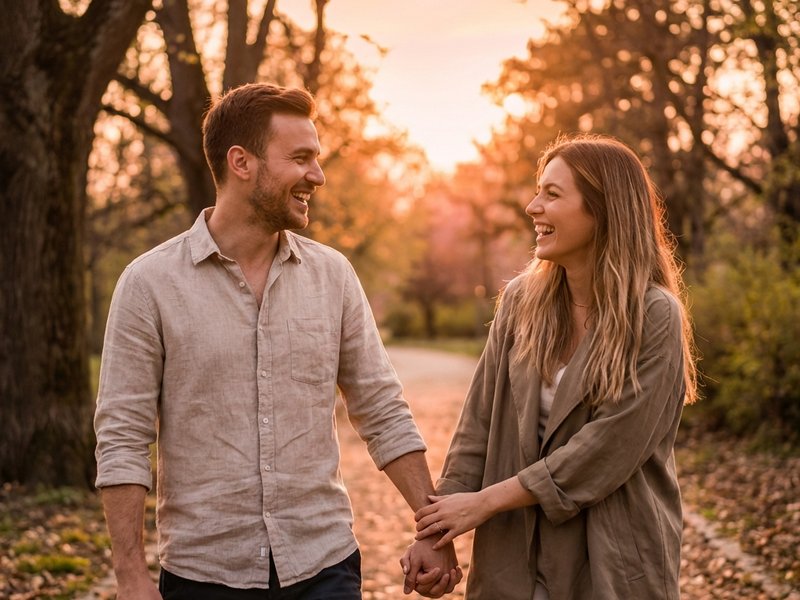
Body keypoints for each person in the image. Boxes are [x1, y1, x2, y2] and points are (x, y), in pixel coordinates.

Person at [94, 82, 461, 600]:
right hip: (204, 575)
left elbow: (381, 408)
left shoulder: (332, 276)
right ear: (241, 162)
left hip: (325, 565)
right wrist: (131, 576)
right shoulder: (149, 284)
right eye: (301, 158)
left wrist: (432, 532)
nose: (318, 175)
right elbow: (123, 437)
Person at [402, 134, 698, 599]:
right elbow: (476, 427)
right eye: (538, 191)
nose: (532, 206)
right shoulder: (521, 301)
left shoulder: (654, 314)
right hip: (512, 561)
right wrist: (435, 534)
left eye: (552, 194)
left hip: (610, 562)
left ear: (602, 211)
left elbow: (604, 450)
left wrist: (484, 503)